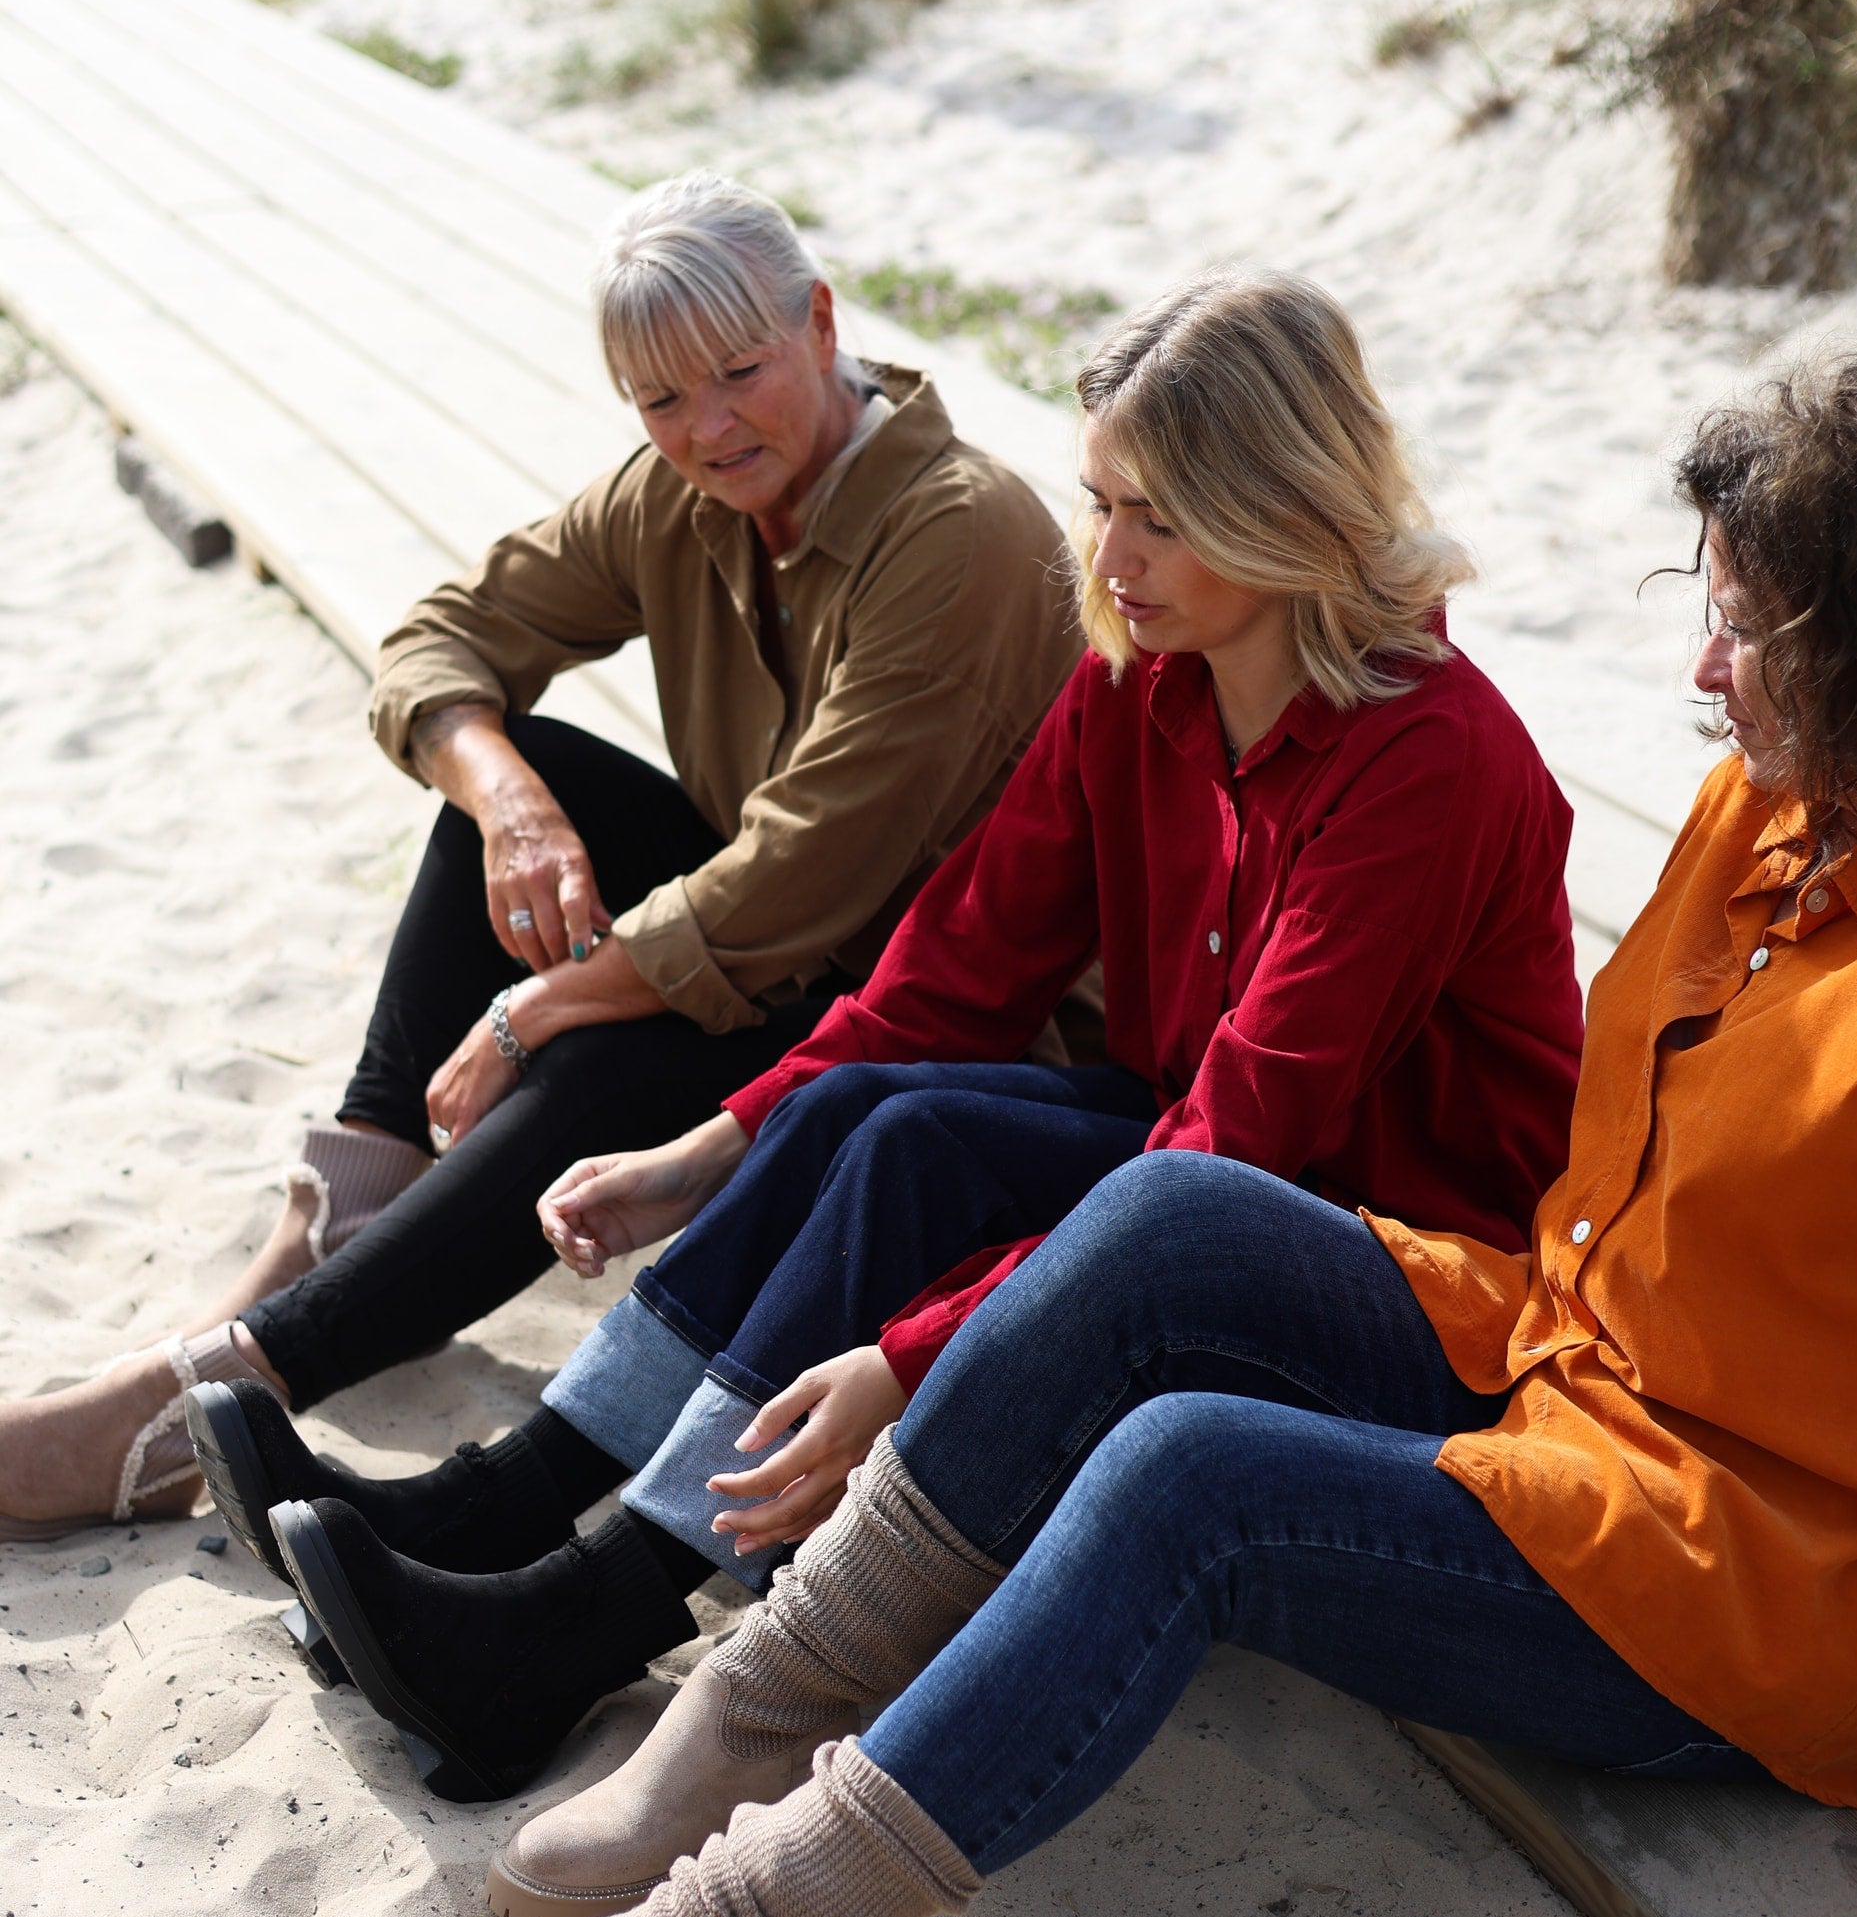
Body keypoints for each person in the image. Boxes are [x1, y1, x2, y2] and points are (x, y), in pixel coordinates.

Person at [284, 354, 1857, 1917]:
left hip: (1746, 1589)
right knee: (1146, 1225)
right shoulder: (1759, 822)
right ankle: (737, 1723)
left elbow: (1264, 1104)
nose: (1700, 674)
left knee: (1188, 1476)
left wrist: (911, 1357)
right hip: (1553, 1362)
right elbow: (992, 985)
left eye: (1745, 630)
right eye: (1699, 614)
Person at [200, 270, 1582, 1803]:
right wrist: (708, 1150)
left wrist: (912, 1363)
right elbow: (959, 965)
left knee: (930, 1153)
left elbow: (1240, 1142)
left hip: (1407, 1281)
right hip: (1205, 1173)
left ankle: (565, 1631)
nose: (1109, 559)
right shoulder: (1142, 679)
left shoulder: (1432, 762)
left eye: (1161, 520)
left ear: (1287, 509)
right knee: (888, 1110)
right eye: (1101, 500)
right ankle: (505, 1515)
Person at [0, 173, 1077, 1545]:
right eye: (659, 400)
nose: (706, 428)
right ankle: (355, 1209)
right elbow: (441, 640)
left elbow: (805, 877)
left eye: (739, 373)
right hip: (797, 948)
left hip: (953, 1022)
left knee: (615, 1051)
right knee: (535, 775)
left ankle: (224, 1390)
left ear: (820, 323)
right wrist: (507, 797)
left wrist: (532, 1006)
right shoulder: (678, 493)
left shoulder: (959, 528)